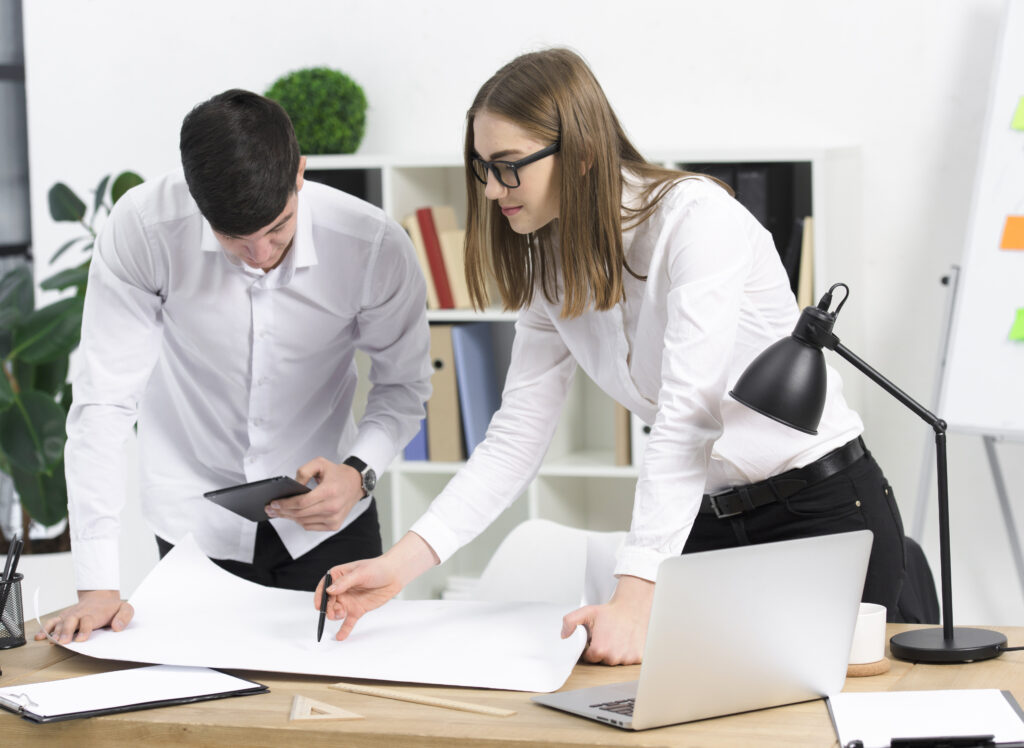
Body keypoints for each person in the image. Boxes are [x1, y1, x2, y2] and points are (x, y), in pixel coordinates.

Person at [316, 48, 919, 665]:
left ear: (579, 155)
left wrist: (635, 597)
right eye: (482, 168)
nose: (493, 189)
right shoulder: (550, 265)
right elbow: (516, 438)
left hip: (819, 513)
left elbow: (689, 415)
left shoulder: (697, 223)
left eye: (507, 167)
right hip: (704, 526)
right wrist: (399, 566)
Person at [38, 89, 432, 644]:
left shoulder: (372, 247)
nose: (261, 256)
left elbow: (403, 387)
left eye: (278, 229)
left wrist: (360, 471)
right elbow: (103, 402)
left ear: (299, 174)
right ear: (198, 203)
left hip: (330, 521)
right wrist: (97, 584)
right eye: (234, 240)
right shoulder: (145, 230)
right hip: (193, 522)